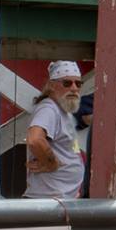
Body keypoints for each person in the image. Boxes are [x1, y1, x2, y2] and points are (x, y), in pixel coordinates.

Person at [24, 61, 85, 200]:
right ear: (51, 86)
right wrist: (51, 163)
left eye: (78, 83)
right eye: (67, 83)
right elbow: (35, 139)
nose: (74, 88)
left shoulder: (63, 110)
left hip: (60, 199)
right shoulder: (49, 109)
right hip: (48, 202)